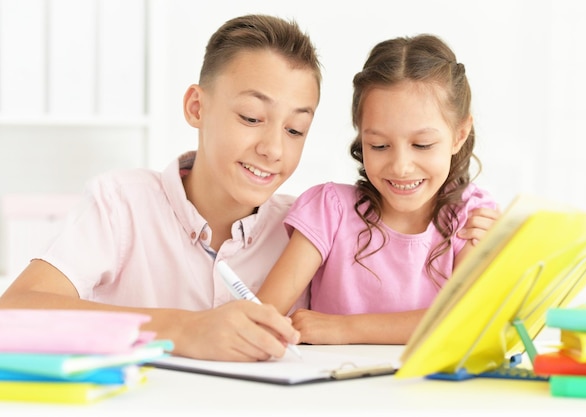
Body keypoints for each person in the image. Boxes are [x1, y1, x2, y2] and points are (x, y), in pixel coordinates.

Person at [0, 14, 322, 362]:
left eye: (295, 130)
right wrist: (182, 329)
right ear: (196, 107)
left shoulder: (307, 230)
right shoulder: (122, 204)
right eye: (251, 117)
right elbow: (14, 313)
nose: (273, 149)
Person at [256, 34, 500, 345]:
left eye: (422, 144)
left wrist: (343, 329)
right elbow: (262, 316)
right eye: (379, 145)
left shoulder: (471, 217)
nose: (400, 166)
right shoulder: (329, 210)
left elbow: (466, 319)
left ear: (459, 134)